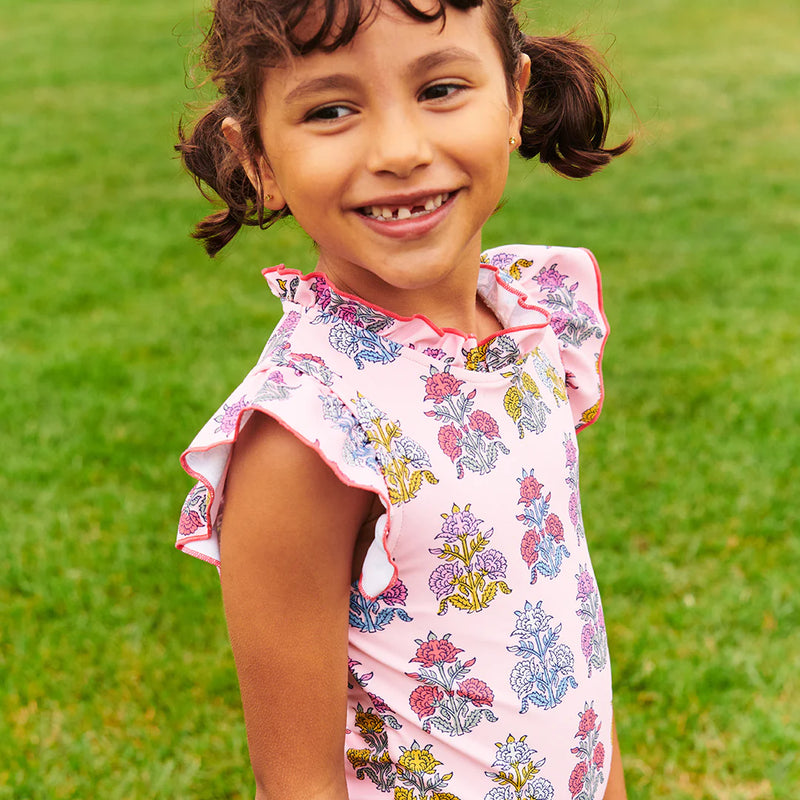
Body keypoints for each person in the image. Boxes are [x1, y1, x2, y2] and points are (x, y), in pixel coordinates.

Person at [174, 1, 632, 798]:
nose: (400, 150)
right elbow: (297, 783)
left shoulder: (527, 324)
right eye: (331, 110)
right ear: (259, 161)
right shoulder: (310, 437)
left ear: (515, 97)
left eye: (442, 89)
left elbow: (572, 649)